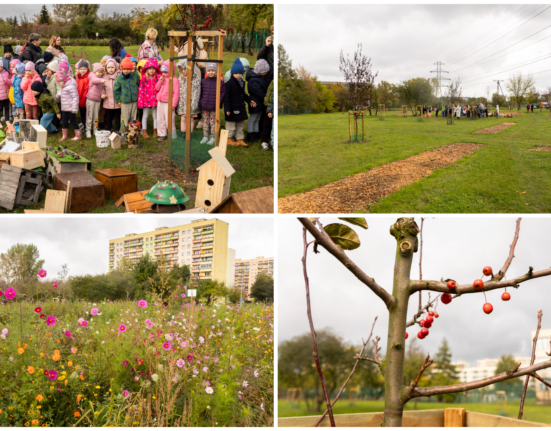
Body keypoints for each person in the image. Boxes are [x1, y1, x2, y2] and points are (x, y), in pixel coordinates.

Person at [224, 58, 256, 147]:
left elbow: (243, 94)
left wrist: (249, 100)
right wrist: (227, 109)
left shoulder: (241, 82)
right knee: (231, 125)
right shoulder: (229, 84)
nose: (238, 75)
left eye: (240, 73)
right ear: (232, 73)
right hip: (232, 108)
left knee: (240, 125)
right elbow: (226, 98)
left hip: (240, 107)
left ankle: (240, 139)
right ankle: (229, 139)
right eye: (236, 73)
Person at [199, 62, 225, 146]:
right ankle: (205, 136)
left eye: (213, 70)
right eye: (209, 70)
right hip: (204, 105)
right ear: (206, 71)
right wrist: (201, 101)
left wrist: (218, 102)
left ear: (216, 71)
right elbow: (200, 92)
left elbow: (222, 93)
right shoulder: (203, 82)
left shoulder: (219, 82)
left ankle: (213, 137)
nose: (211, 72)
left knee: (213, 122)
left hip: (214, 106)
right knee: (205, 121)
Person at [55, 60, 81, 141]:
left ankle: (78, 135)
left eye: (60, 82)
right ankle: (64, 136)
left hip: (70, 108)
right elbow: (63, 91)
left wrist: (74, 108)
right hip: (64, 107)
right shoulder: (64, 84)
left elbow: (75, 97)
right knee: (64, 121)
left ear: (65, 79)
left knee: (72, 121)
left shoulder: (71, 85)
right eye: (58, 82)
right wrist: (59, 94)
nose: (60, 84)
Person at [245, 59, 269, 143]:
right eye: (265, 71)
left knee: (258, 118)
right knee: (253, 118)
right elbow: (258, 92)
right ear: (260, 71)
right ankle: (250, 134)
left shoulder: (260, 77)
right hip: (255, 102)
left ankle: (256, 132)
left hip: (260, 103)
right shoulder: (253, 80)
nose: (266, 73)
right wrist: (265, 99)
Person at [155, 61, 179, 142]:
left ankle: (172, 135)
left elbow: (176, 93)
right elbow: (157, 88)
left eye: (166, 72)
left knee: (169, 119)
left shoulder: (175, 80)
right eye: (163, 72)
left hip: (169, 103)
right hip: (160, 101)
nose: (164, 74)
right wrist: (160, 81)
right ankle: (162, 134)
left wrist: (174, 104)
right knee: (160, 118)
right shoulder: (162, 78)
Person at [114, 57, 140, 129]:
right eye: (124, 69)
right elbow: (116, 90)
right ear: (121, 69)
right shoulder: (119, 79)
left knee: (134, 117)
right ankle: (123, 132)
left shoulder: (135, 75)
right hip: (124, 102)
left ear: (131, 69)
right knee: (124, 118)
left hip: (134, 101)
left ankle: (133, 132)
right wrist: (118, 100)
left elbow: (138, 84)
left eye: (128, 69)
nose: (126, 71)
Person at [177, 59, 201, 136]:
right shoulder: (181, 78)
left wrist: (193, 105)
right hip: (182, 103)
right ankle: (183, 133)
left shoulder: (196, 79)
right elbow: (179, 90)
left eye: (185, 69)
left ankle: (189, 133)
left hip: (191, 103)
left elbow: (196, 93)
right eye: (182, 70)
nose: (183, 71)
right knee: (183, 118)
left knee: (190, 119)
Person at [138, 57, 160, 139]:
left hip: (155, 100)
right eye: (149, 68)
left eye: (153, 68)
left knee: (155, 116)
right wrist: (140, 102)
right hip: (145, 100)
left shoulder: (157, 78)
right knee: (145, 116)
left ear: (156, 69)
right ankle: (144, 131)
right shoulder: (143, 79)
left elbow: (159, 88)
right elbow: (140, 90)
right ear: (146, 69)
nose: (151, 70)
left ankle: (155, 131)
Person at [101, 59, 121, 132]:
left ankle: (117, 130)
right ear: (106, 68)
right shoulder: (104, 77)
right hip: (108, 101)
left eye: (112, 67)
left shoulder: (119, 77)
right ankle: (109, 129)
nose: (110, 69)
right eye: (109, 68)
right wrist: (102, 94)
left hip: (117, 101)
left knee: (117, 116)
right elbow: (102, 88)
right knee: (109, 116)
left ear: (116, 67)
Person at [86, 63, 105, 138]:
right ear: (95, 72)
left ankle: (95, 129)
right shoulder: (92, 76)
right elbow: (94, 80)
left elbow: (103, 89)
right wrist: (102, 80)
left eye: (101, 72)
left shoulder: (101, 79)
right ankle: (88, 130)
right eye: (98, 72)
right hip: (90, 99)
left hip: (98, 100)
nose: (100, 74)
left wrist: (103, 94)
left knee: (96, 116)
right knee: (89, 116)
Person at [75, 60, 90, 135]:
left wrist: (82, 101)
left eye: (84, 69)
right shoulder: (78, 77)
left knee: (86, 115)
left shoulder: (87, 78)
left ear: (87, 69)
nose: (82, 70)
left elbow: (86, 90)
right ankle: (84, 126)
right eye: (81, 69)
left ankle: (87, 127)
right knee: (82, 114)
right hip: (79, 99)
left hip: (84, 100)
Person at [264, 79, 274, 151]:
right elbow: (271, 101)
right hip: (272, 111)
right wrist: (269, 111)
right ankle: (273, 144)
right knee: (272, 128)